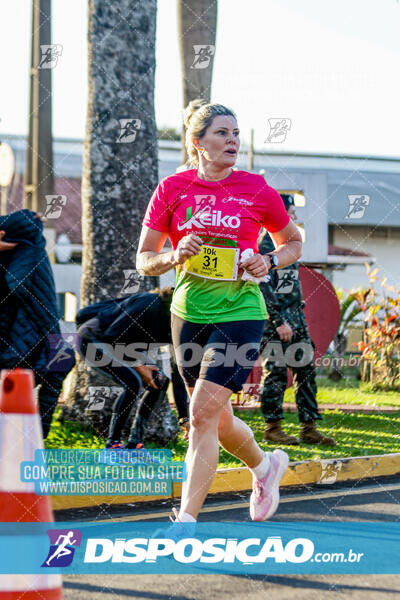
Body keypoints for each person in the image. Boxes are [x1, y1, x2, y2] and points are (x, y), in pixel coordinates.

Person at [136, 99, 302, 524]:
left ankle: (185, 523)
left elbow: (292, 241)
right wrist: (173, 255)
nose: (232, 140)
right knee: (218, 419)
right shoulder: (172, 190)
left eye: (235, 133)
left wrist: (270, 260)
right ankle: (265, 468)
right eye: (221, 133)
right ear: (198, 142)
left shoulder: (256, 189)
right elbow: (144, 260)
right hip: (188, 314)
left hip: (240, 311)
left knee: (198, 415)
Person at [259, 195, 335, 446]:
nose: (295, 217)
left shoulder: (287, 243)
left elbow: (288, 286)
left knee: (306, 372)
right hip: (275, 324)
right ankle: (272, 428)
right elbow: (262, 286)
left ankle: (309, 427)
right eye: (291, 212)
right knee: (276, 374)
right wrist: (279, 321)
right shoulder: (264, 245)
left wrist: (297, 315)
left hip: (296, 320)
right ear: (278, 213)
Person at [76, 287, 189, 449]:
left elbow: (179, 375)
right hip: (94, 338)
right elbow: (113, 336)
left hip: (122, 346)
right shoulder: (150, 303)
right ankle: (112, 445)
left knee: (159, 382)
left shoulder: (180, 327)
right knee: (132, 383)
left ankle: (135, 445)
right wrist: (138, 366)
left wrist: (184, 419)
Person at [0, 210, 75, 438]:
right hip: (32, 341)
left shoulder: (28, 253)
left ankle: (29, 439)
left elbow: (17, 285)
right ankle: (34, 438)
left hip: (25, 341)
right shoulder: (33, 250)